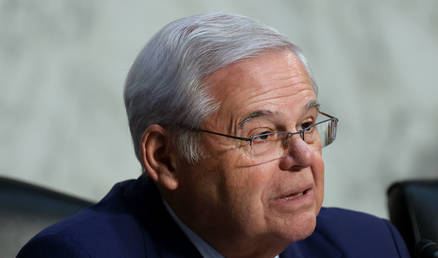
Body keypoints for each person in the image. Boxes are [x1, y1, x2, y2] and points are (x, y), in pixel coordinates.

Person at [18, 13, 409, 258]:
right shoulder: (77, 254)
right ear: (165, 157)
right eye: (262, 135)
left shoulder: (369, 244)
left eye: (307, 126)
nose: (303, 157)